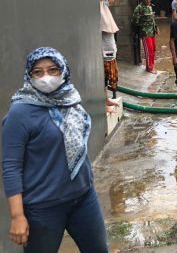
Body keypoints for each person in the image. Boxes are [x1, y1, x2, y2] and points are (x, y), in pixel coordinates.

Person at [2, 47, 108, 253]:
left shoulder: (71, 100)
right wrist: (17, 216)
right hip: (43, 207)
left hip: (83, 198)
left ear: (64, 71)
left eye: (53, 70)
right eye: (38, 72)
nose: (46, 77)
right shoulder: (20, 113)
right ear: (29, 75)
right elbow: (11, 167)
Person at [99, 0, 120, 112]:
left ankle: (106, 99)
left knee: (107, 78)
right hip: (104, 51)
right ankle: (103, 104)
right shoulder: (100, 10)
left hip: (110, 50)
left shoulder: (104, 8)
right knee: (103, 77)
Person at [132, 0, 159, 74]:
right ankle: (149, 68)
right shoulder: (139, 8)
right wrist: (141, 28)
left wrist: (156, 28)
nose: (148, 1)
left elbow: (152, 19)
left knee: (153, 49)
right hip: (145, 33)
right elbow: (134, 20)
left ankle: (152, 65)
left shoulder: (149, 7)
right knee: (149, 50)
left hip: (152, 32)